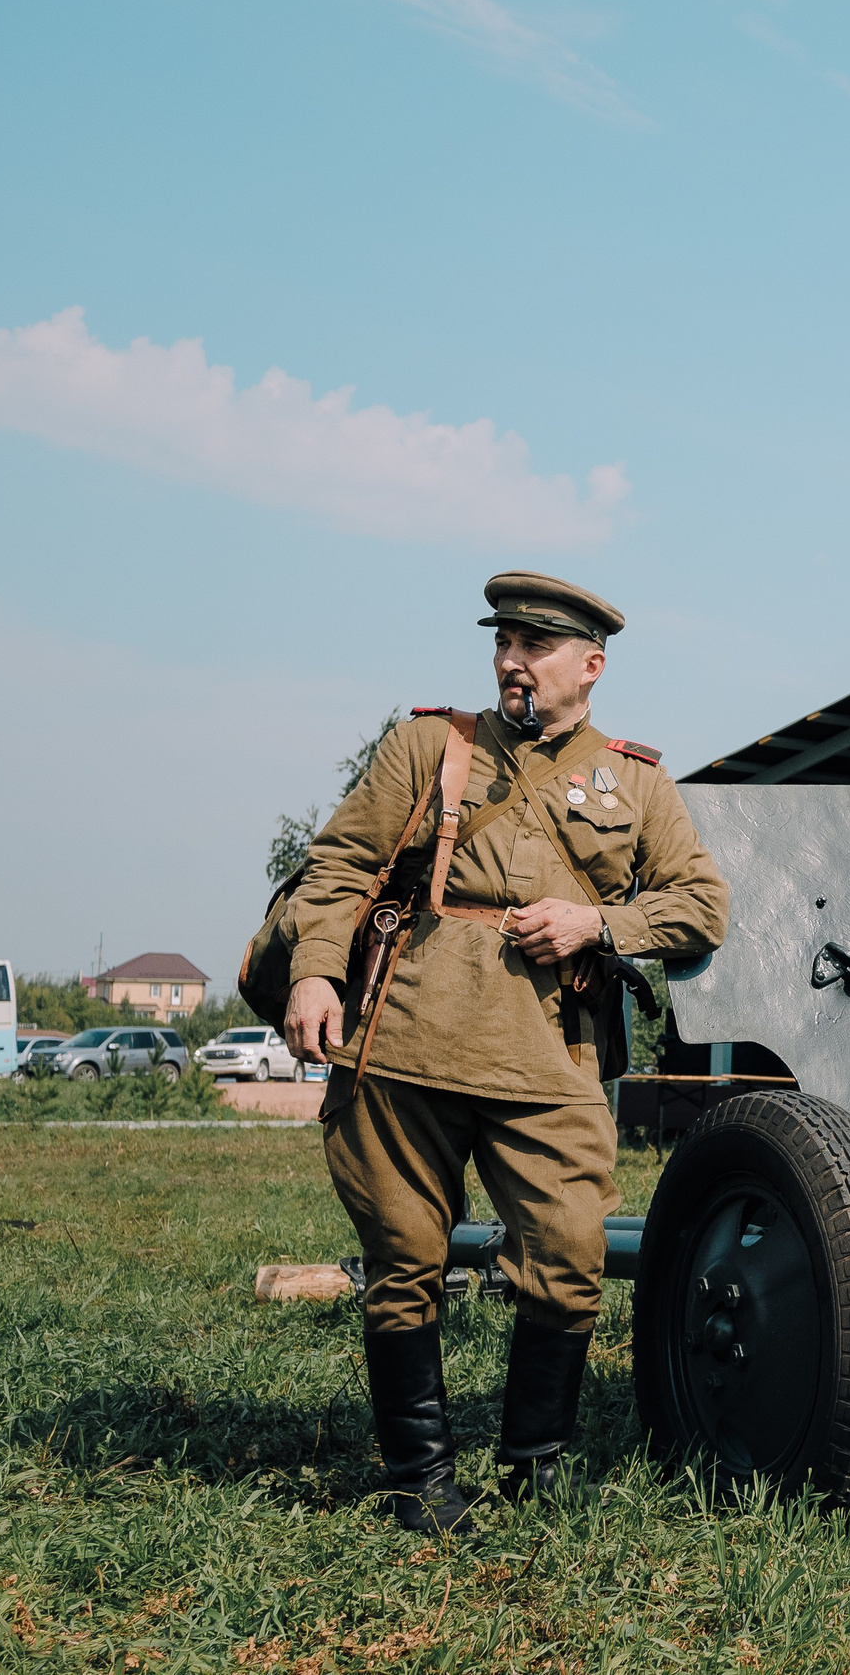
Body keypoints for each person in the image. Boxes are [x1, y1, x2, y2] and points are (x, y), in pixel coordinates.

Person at [284, 572, 731, 1530]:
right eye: (505, 642)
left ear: (591, 666)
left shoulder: (637, 779)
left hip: (550, 1060)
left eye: (536, 646)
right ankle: (418, 1480)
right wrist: (316, 971)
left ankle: (536, 1464)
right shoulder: (428, 746)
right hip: (403, 1044)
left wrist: (597, 923)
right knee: (404, 1256)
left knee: (570, 1250)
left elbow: (701, 907)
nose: (512, 661)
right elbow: (339, 865)